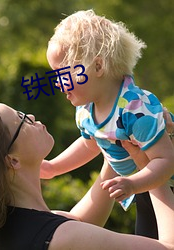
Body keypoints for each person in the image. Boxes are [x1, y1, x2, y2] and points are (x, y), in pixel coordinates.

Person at [0, 98, 174, 250]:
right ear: (12, 160)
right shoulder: (62, 238)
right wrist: (150, 165)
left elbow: (80, 221)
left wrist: (114, 137)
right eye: (21, 120)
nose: (30, 116)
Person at [42, 9, 174, 239]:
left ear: (98, 67)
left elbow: (166, 160)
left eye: (62, 73)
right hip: (144, 189)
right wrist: (54, 167)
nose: (57, 83)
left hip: (163, 186)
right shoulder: (86, 110)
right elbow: (90, 144)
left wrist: (133, 183)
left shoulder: (135, 109)